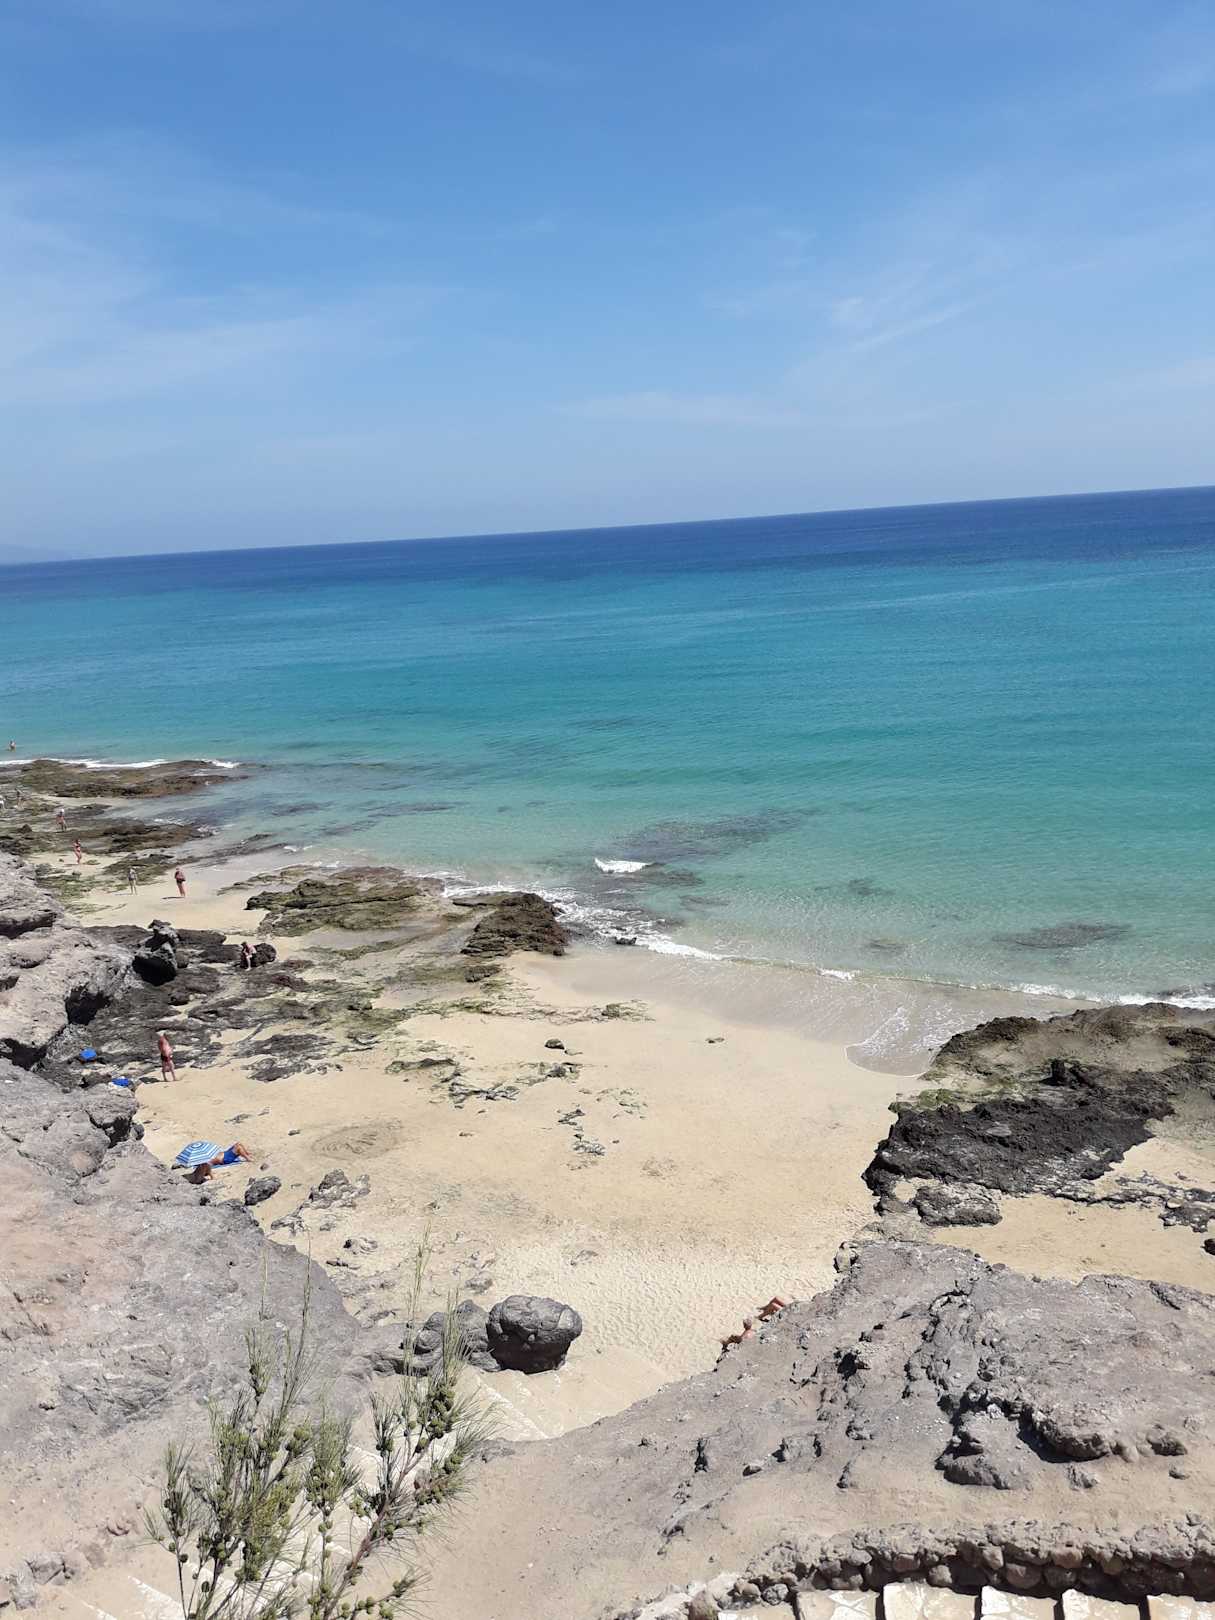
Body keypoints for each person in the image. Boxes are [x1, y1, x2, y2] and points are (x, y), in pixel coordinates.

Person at [184, 1142, 253, 1184]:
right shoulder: (205, 1162)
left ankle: (247, 1153)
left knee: (238, 1143)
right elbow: (207, 1167)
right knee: (239, 1147)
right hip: (225, 1158)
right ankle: (248, 1158)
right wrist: (211, 1176)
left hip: (225, 1153)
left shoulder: (204, 1156)